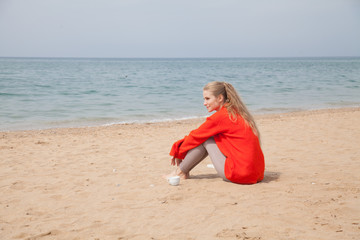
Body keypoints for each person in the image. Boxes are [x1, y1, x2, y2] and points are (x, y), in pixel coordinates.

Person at [165, 81, 264, 184]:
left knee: (207, 138)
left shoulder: (221, 116)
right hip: (257, 173)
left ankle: (180, 172)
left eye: (207, 99)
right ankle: (182, 171)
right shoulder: (237, 112)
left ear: (220, 98)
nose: (204, 103)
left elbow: (195, 136)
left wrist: (177, 150)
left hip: (241, 174)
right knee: (210, 136)